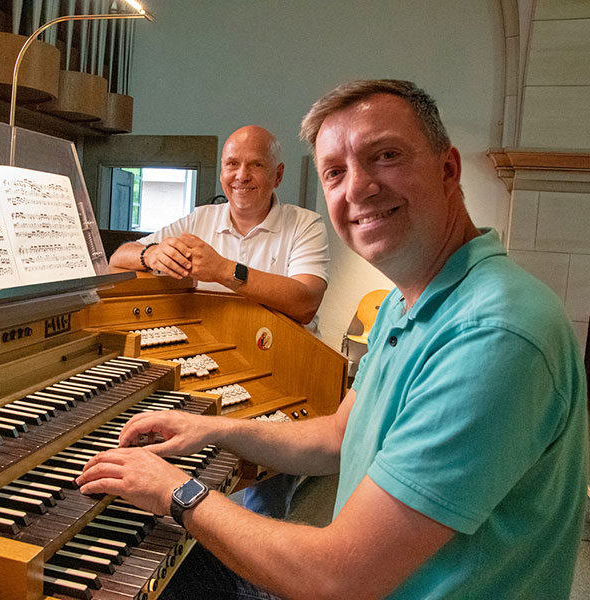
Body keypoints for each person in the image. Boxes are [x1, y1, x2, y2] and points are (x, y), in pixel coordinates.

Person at [77, 80, 588, 599]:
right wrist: (211, 429)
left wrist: (175, 491)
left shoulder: (493, 336)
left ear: (448, 169)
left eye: (385, 156)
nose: (359, 188)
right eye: (335, 172)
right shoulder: (406, 301)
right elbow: (337, 438)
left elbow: (339, 577)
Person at [109, 125, 329, 326]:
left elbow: (306, 303)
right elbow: (118, 257)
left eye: (256, 164)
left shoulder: (306, 225)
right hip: (211, 354)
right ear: (221, 172)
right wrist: (151, 254)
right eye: (232, 164)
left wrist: (222, 270)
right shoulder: (198, 219)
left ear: (277, 175)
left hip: (287, 357)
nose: (242, 176)